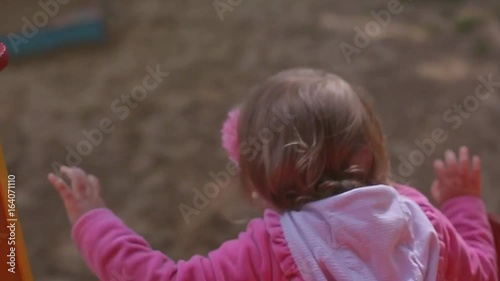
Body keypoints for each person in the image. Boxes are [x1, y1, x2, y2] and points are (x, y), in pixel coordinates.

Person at [48, 68, 497, 280]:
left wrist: (93, 220)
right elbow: (483, 269)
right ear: (367, 153)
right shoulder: (419, 221)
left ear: (258, 183)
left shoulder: (270, 253)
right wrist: (463, 204)